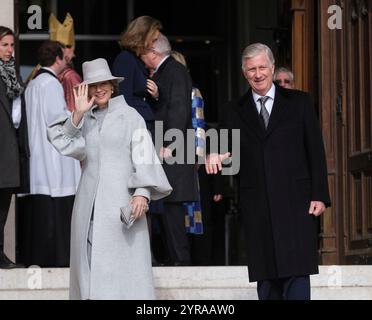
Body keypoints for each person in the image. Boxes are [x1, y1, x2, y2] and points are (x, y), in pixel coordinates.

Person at [206, 43, 330, 300]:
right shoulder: (233, 110)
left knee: (296, 274)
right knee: (267, 278)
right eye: (252, 69)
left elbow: (315, 150)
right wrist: (214, 155)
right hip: (257, 204)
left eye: (263, 67)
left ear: (272, 68)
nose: (258, 73)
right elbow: (227, 154)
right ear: (244, 73)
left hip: (296, 202)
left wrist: (319, 193)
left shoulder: (300, 102)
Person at [47, 58, 172, 300]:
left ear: (113, 85)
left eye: (104, 83)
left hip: (122, 208)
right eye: (93, 85)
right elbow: (62, 141)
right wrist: (77, 115)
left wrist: (142, 194)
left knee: (125, 278)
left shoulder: (130, 116)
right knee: (90, 278)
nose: (99, 89)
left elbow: (144, 157)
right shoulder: (82, 120)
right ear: (86, 90)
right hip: (88, 210)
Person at [17, 40, 81, 267]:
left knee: (42, 214)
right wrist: (76, 116)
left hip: (38, 154)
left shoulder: (33, 83)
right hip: (54, 157)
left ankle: (39, 258)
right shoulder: (51, 84)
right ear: (58, 58)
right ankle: (59, 259)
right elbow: (58, 121)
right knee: (57, 212)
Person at [141, 34, 199, 266]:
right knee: (166, 209)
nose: (141, 58)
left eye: (143, 52)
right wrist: (156, 96)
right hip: (168, 149)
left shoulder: (173, 71)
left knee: (172, 209)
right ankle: (175, 260)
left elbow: (178, 109)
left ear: (153, 54)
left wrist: (170, 144)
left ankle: (181, 263)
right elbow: (166, 105)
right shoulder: (168, 72)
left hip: (171, 151)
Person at [0, 26, 29, 269]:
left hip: (10, 150)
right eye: (4, 45)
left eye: (11, 45)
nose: (10, 50)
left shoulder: (13, 75)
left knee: (2, 208)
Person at [112, 16, 160, 134]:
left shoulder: (137, 60)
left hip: (143, 123)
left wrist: (155, 95)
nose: (154, 45)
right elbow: (123, 99)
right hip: (136, 127)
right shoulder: (126, 59)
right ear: (142, 37)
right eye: (153, 40)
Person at [27, 13, 82, 111]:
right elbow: (75, 111)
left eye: (69, 46)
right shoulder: (69, 77)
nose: (66, 52)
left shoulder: (37, 74)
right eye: (61, 48)